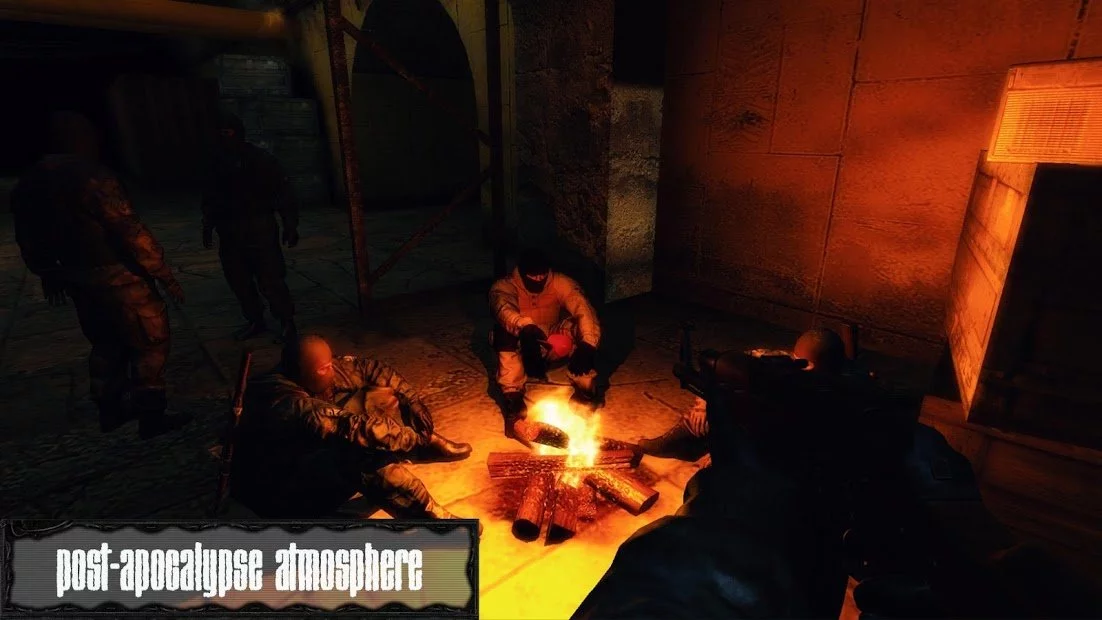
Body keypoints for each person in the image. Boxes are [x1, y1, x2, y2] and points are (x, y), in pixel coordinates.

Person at [10, 110, 192, 439]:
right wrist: (162, 272)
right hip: (119, 277)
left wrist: (48, 271)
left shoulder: (29, 182)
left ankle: (110, 408)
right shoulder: (92, 177)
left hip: (77, 277)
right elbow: (129, 231)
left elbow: (28, 237)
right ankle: (151, 415)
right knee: (150, 340)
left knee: (106, 340)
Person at [231, 334, 477, 527]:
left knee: (378, 395)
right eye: (325, 368)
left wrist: (411, 400)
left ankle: (416, 447)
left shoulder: (303, 373)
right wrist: (411, 440)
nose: (332, 370)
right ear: (302, 369)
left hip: (301, 455)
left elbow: (369, 370)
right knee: (359, 453)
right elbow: (351, 428)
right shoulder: (285, 402)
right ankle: (430, 518)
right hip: (282, 493)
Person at [637, 327, 851, 460]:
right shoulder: (770, 362)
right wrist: (703, 405)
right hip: (749, 420)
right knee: (709, 415)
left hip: (774, 438)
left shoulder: (835, 387)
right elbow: (723, 370)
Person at [201, 112, 298, 342]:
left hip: (259, 228)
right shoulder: (216, 162)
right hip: (229, 230)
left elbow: (283, 192)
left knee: (270, 278)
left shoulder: (260, 159)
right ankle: (255, 320)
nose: (223, 138)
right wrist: (208, 225)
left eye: (227, 132)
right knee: (239, 280)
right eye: (219, 133)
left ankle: (286, 322)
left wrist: (290, 224)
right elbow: (210, 197)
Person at [489, 248, 601, 435]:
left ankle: (586, 391)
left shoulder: (559, 282)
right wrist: (524, 328)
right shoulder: (505, 286)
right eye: (533, 276)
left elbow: (582, 307)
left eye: (542, 275)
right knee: (502, 333)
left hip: (551, 339)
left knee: (581, 328)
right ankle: (513, 400)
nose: (539, 279)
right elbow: (503, 307)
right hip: (522, 339)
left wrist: (588, 344)